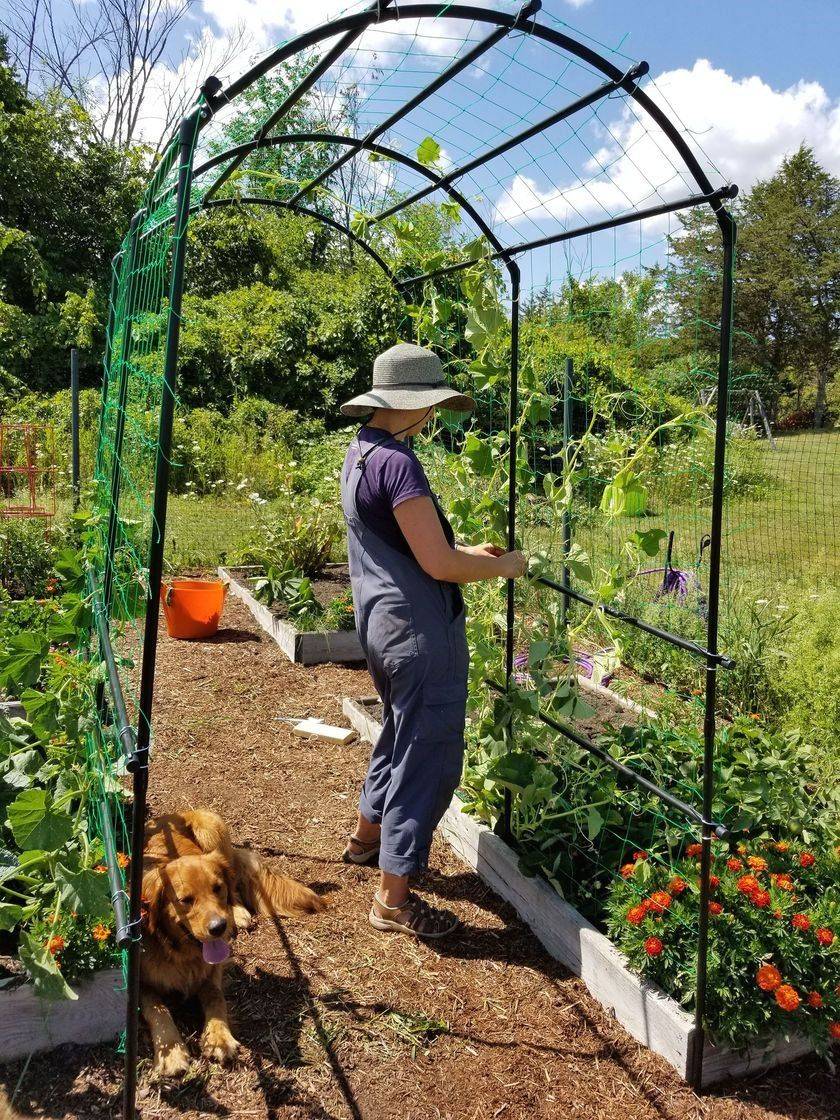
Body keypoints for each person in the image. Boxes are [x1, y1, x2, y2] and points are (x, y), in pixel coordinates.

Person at [339, 342, 527, 939]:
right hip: (420, 634)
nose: (434, 419)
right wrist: (503, 567)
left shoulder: (361, 453)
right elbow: (440, 566)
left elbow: (417, 551)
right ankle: (393, 899)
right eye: (433, 408)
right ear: (417, 405)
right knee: (430, 754)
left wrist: (468, 553)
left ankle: (367, 838)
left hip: (381, 624)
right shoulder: (400, 463)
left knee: (400, 731)